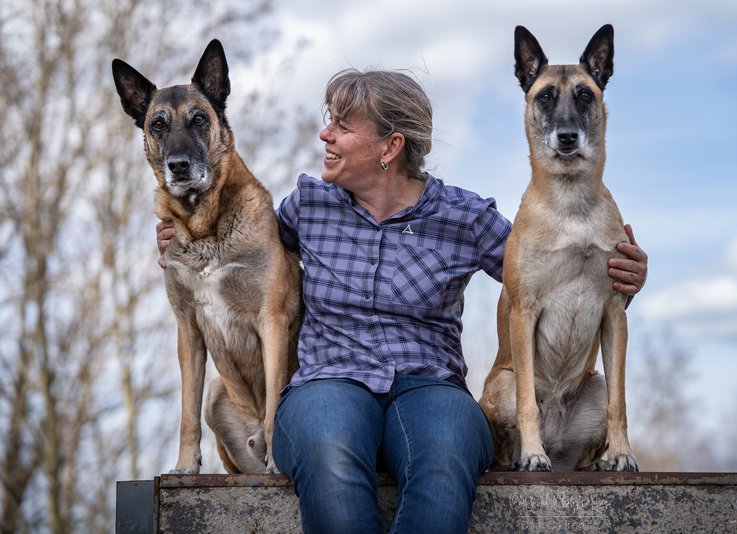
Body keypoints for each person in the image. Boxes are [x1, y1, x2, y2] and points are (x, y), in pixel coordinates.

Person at [156, 68, 648, 533]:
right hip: (329, 381)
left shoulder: (464, 216)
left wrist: (624, 273)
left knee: (447, 453)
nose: (326, 135)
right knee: (327, 448)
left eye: (342, 126)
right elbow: (239, 250)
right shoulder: (307, 205)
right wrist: (182, 234)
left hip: (430, 387)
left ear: (390, 147)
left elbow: (549, 272)